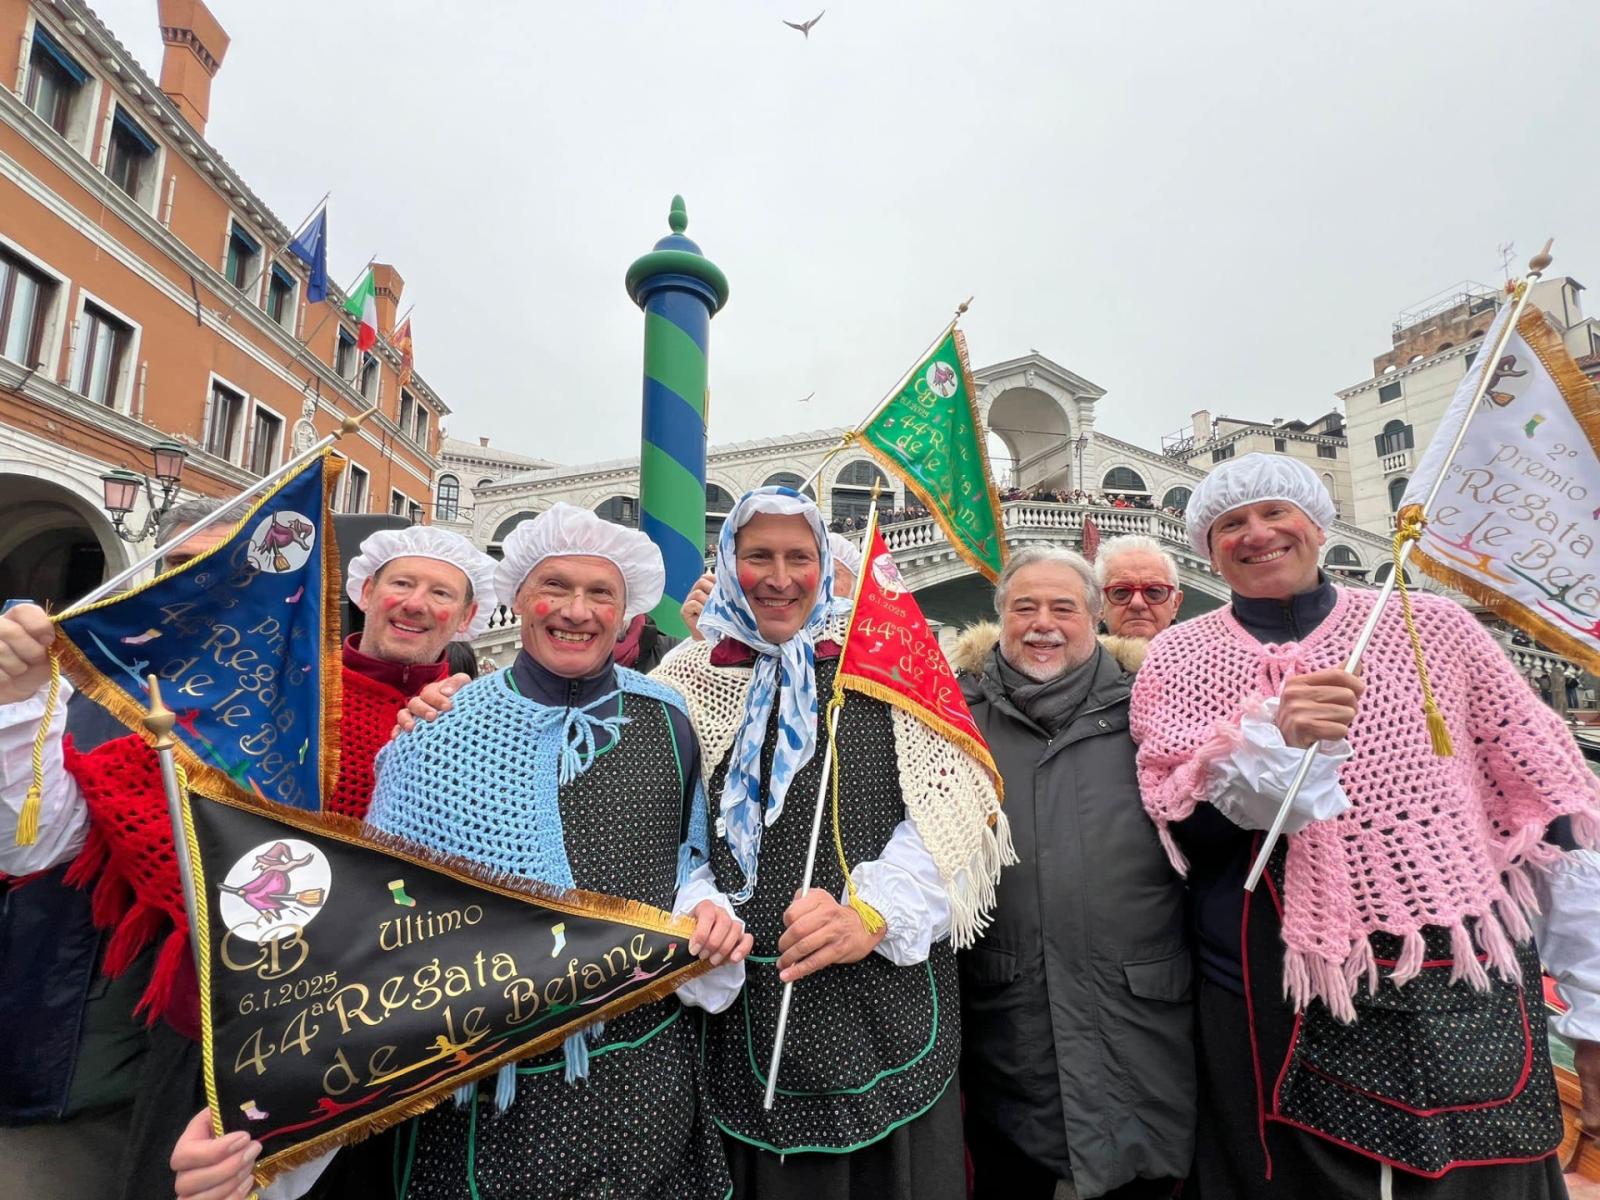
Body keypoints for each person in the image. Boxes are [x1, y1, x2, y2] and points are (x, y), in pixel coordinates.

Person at [173, 502, 747, 1199]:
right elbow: (371, 936)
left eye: (601, 593)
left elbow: (685, 863)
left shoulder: (668, 718)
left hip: (645, 1076)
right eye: (554, 587)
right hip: (479, 1104)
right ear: (517, 600)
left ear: (628, 612)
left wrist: (705, 908)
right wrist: (270, 1125)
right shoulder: (431, 733)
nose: (577, 610)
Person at [1131, 452, 1600, 1198]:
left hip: (1454, 961)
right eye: (1229, 524)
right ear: (1206, 548)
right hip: (1258, 975)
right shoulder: (1177, 656)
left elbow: (1552, 813)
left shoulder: (1436, 627)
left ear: (1316, 525)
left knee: (1482, 1174)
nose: (1255, 534)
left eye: (1274, 513)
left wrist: (1592, 1009)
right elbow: (1188, 828)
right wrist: (1274, 744)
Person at [0, 521, 495, 1200]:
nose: (416, 602)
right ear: (366, 592)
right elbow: (47, 831)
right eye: (402, 583)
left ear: (467, 616)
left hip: (396, 1041)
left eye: (441, 592)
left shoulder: (483, 720)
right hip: (224, 1030)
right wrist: (21, 699)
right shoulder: (268, 694)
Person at [650, 486, 1010, 1200]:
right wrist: (695, 906)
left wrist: (870, 915)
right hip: (738, 1002)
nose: (778, 577)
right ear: (726, 563)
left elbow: (959, 807)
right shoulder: (683, 678)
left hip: (884, 999)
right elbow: (657, 824)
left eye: (798, 557)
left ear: (825, 565)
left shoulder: (887, 659)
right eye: (757, 556)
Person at [947, 548, 1192, 1199]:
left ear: (1093, 619)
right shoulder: (953, 715)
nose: (1042, 624)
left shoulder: (1152, 708)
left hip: (1143, 1019)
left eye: (1063, 608)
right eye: (1024, 607)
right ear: (1000, 620)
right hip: (1008, 1021)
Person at [0, 498, 221, 1200]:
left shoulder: (297, 709)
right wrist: (17, 699)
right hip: (79, 1072)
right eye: (184, 565)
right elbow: (26, 848)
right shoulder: (67, 685)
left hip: (224, 1084)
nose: (201, 585)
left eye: (227, 568)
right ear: (149, 573)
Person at [679, 529, 861, 642]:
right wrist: (705, 638)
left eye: (832, 575)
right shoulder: (741, 642)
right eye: (759, 558)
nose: (781, 582)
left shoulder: (870, 657)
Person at [1094, 534, 1184, 659]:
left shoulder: (1208, 668)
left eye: (1153, 592)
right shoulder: (1070, 671)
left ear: (1175, 604)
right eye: (1122, 592)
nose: (1137, 603)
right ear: (1100, 605)